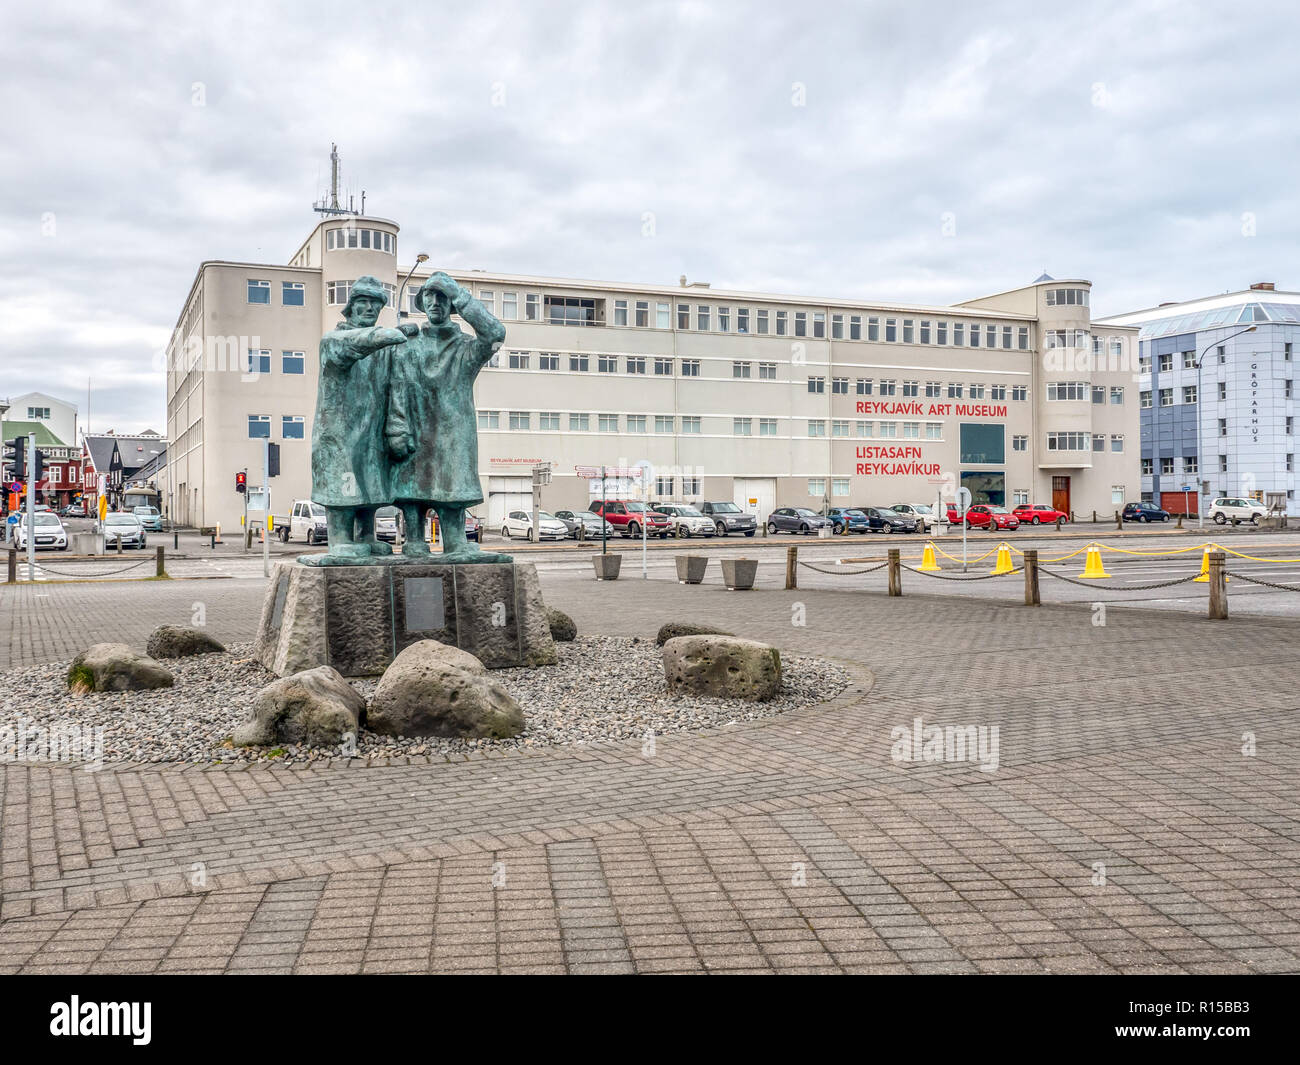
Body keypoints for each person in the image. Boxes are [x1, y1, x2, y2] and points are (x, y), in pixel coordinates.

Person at [385, 272, 511, 563]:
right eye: (429, 297)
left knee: (452, 488)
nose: (435, 302)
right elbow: (397, 387)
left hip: (454, 432)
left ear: (451, 302)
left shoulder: (466, 347)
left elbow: (495, 334)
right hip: (415, 430)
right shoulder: (409, 345)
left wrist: (459, 293)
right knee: (411, 488)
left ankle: (455, 541)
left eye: (442, 296)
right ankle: (414, 539)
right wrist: (397, 427)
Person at [303, 275, 417, 564]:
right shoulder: (334, 340)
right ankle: (340, 539)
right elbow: (353, 345)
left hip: (372, 428)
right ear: (351, 306)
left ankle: (366, 535)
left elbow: (397, 385)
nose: (369, 308)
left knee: (370, 480)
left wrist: (397, 427)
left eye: (375, 304)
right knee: (344, 477)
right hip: (338, 431)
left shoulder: (386, 348)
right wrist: (390, 333)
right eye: (363, 302)